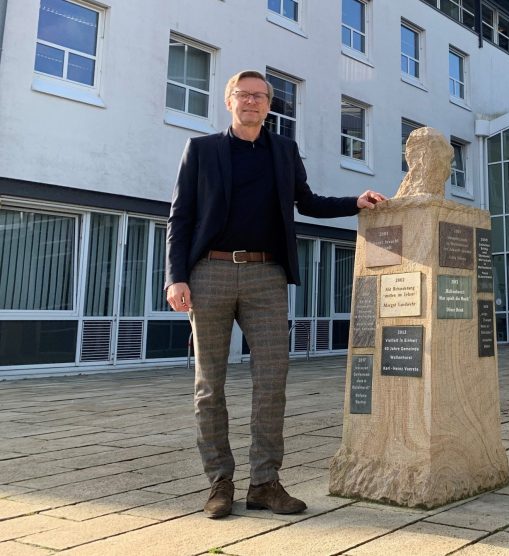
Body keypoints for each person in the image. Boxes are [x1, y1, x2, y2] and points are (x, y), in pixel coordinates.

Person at [165, 70, 386, 519]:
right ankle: (219, 483)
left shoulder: (283, 151)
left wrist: (353, 202)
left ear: (270, 105)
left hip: (266, 274)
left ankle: (265, 483)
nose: (252, 102)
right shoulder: (202, 150)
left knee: (272, 382)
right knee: (210, 385)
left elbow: (307, 201)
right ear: (229, 100)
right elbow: (180, 217)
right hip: (210, 271)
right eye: (244, 95)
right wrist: (176, 277)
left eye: (260, 96)